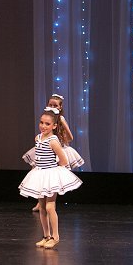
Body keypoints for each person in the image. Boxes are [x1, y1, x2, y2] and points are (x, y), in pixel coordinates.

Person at [18, 107, 82, 249]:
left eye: (47, 124)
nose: (43, 126)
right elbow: (38, 157)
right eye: (41, 122)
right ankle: (46, 236)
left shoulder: (53, 141)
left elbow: (63, 161)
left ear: (54, 126)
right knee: (42, 207)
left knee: (50, 207)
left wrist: (53, 170)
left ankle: (55, 236)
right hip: (40, 174)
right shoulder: (38, 138)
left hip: (51, 175)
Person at [23, 93, 84, 211]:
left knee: (54, 176)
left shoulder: (60, 119)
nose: (52, 107)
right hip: (46, 146)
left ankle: (50, 202)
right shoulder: (46, 117)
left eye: (55, 105)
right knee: (37, 170)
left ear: (60, 107)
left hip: (57, 147)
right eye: (50, 104)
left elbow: (69, 138)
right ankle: (40, 200)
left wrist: (59, 138)